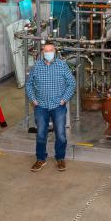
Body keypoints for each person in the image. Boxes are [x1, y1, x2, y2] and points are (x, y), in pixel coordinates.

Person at [26, 42, 76, 172]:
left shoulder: (62, 65)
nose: (48, 53)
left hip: (57, 106)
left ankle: (60, 158)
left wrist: (64, 99)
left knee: (60, 135)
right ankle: (40, 159)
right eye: (46, 51)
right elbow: (29, 84)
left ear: (55, 51)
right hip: (41, 106)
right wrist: (33, 99)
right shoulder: (36, 66)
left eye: (50, 50)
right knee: (41, 134)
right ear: (42, 52)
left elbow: (71, 83)